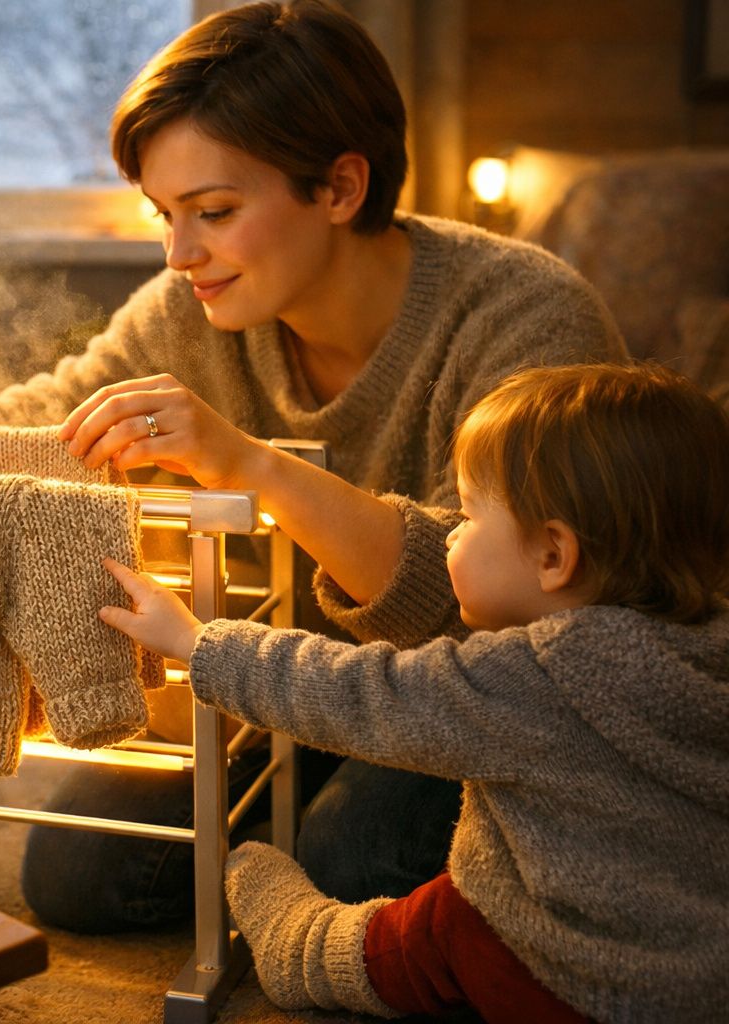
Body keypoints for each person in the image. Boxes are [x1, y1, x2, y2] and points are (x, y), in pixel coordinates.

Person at [0, 0, 626, 931]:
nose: (180, 255)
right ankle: (287, 873)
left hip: (477, 711)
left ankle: (306, 882)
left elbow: (482, 605)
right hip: (283, 689)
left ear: (340, 188)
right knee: (73, 875)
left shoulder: (526, 317)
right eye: (164, 216)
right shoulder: (192, 305)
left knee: (349, 862)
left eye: (214, 212)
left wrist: (249, 464)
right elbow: (65, 418)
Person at [97, 362, 729, 1022]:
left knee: (445, 925)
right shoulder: (708, 644)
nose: (449, 533)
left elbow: (358, 696)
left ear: (553, 556)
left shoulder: (535, 678)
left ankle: (301, 948)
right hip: (704, 972)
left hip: (573, 976)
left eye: (468, 516)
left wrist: (201, 646)